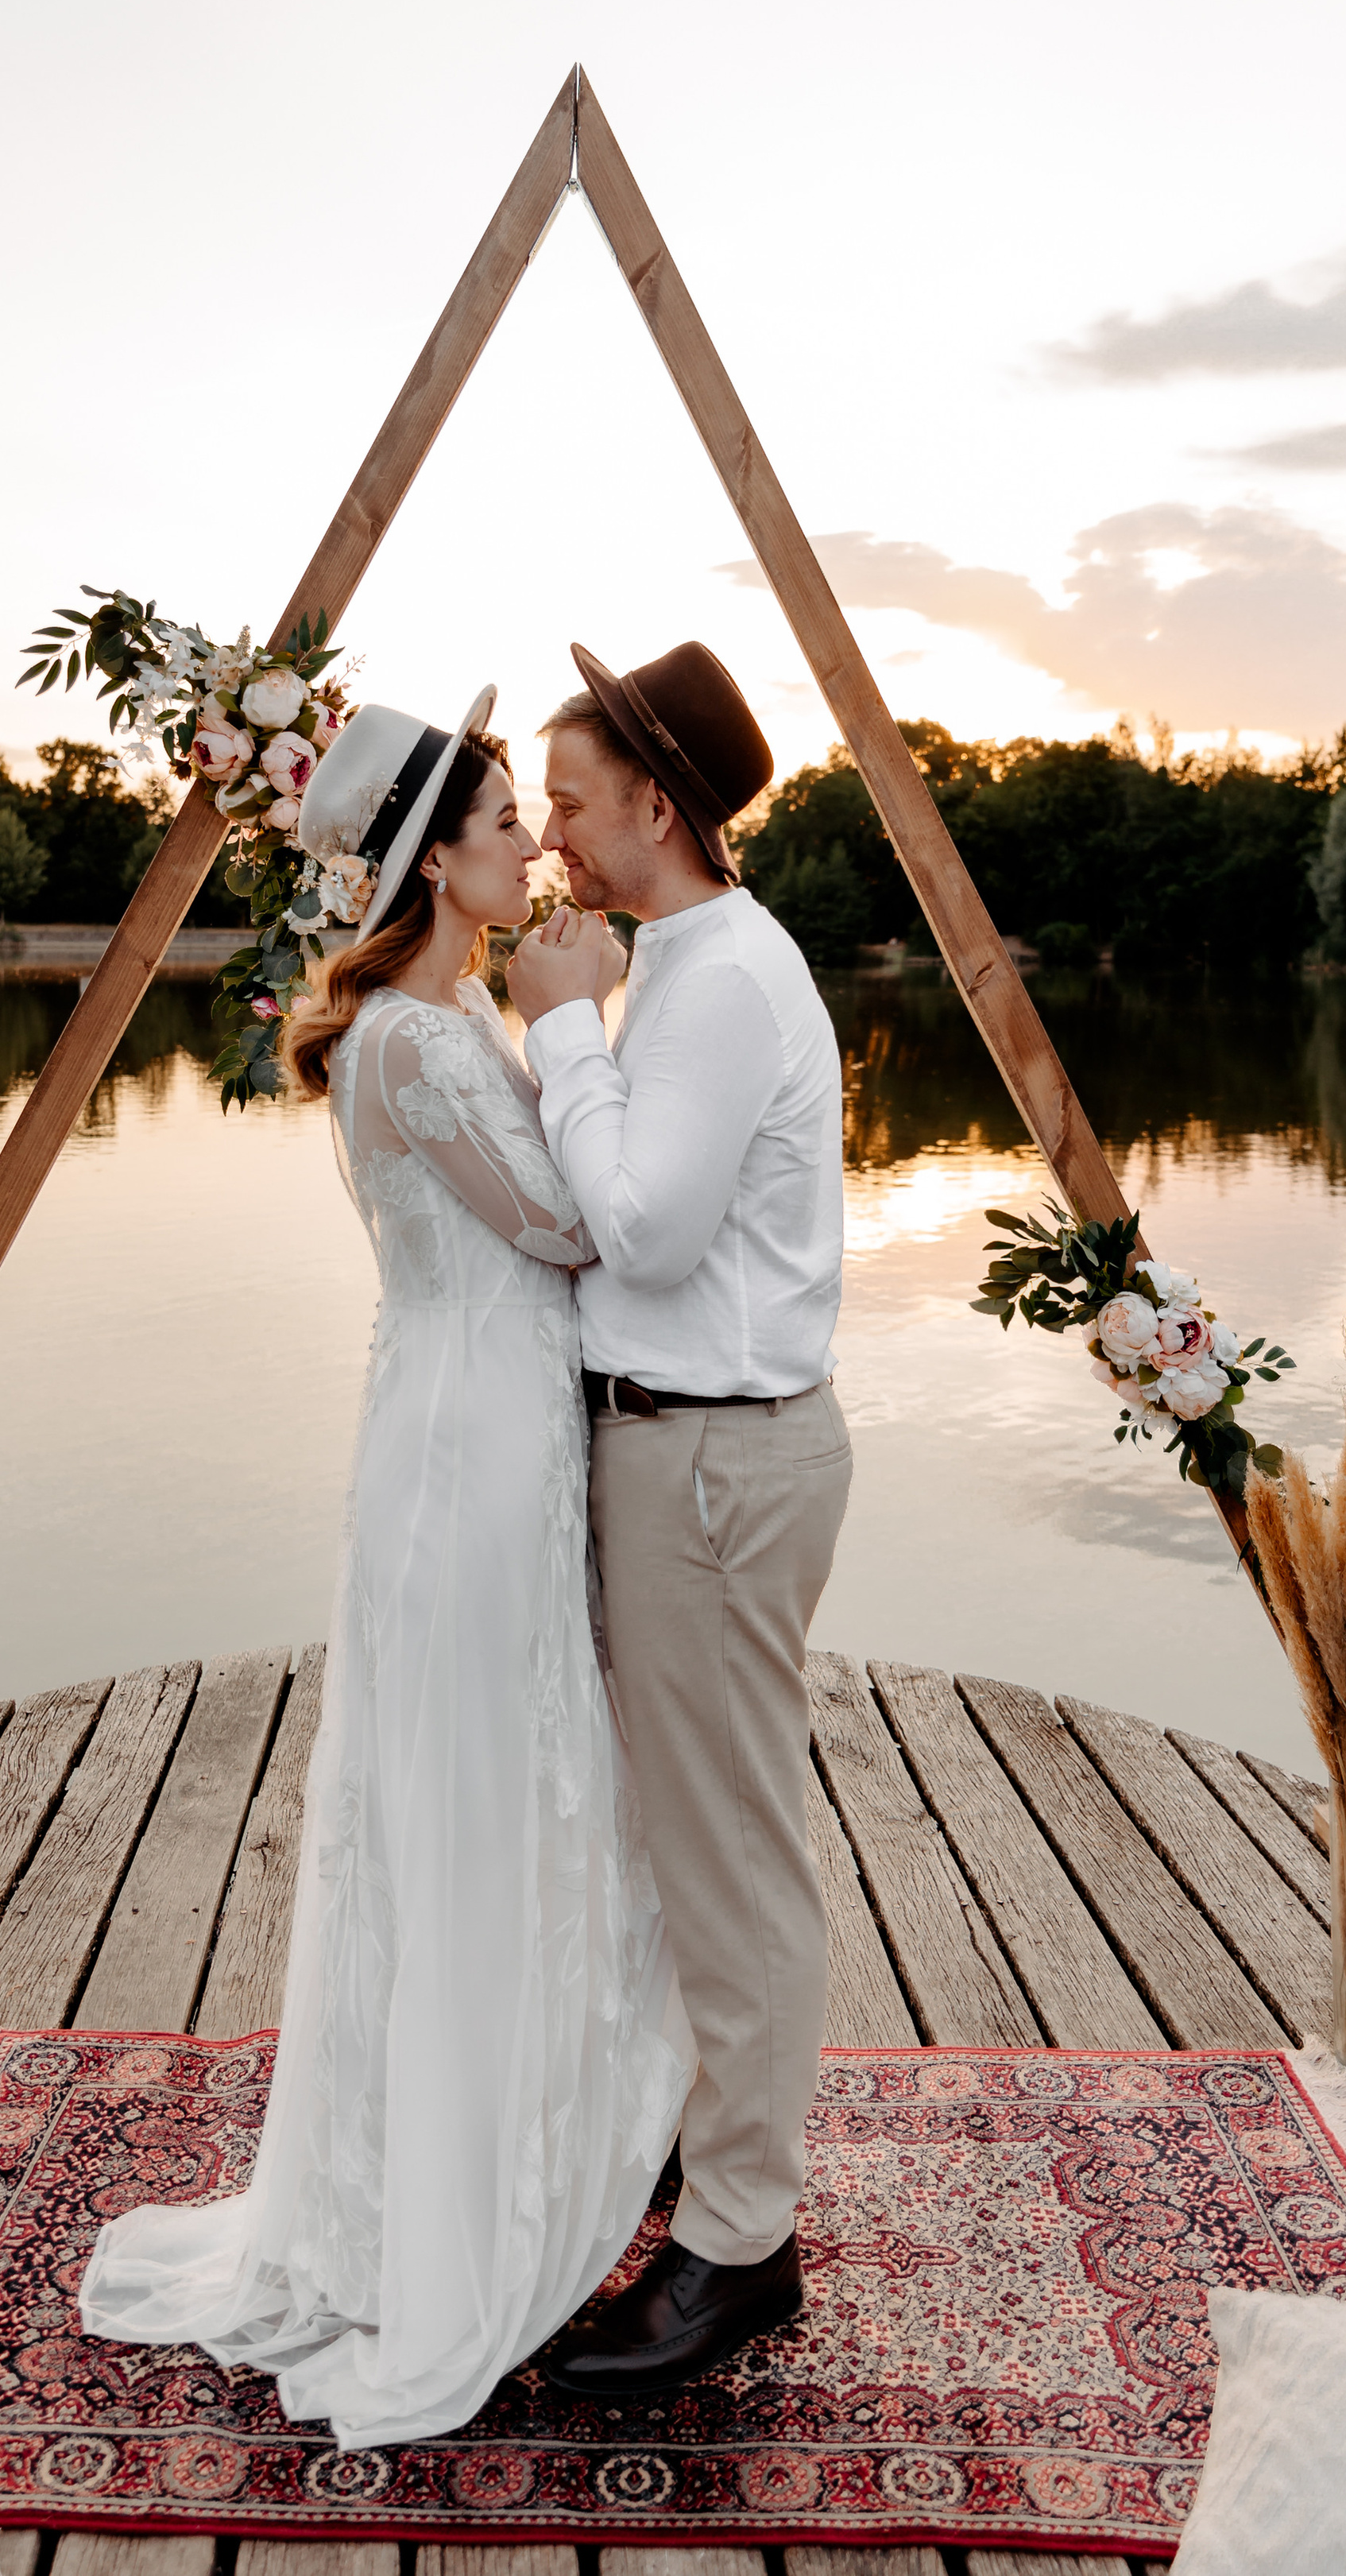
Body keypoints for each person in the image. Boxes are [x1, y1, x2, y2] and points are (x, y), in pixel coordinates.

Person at [79, 688, 692, 2447]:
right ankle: (452, 2198)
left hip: (467, 1424)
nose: (534, 850)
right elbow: (576, 1227)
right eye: (507, 828)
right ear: (438, 859)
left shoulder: (428, 1023)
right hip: (471, 1457)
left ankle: (479, 2136)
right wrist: (589, 1027)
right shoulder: (419, 1048)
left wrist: (560, 1027)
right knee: (480, 1790)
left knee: (484, 1790)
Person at [505, 639, 850, 2402]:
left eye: (567, 800)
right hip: (691, 1451)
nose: (549, 834)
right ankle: (710, 2157)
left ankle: (740, 2246)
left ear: (656, 804)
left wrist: (556, 1027)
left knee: (727, 1855)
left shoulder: (707, 981)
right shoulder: (690, 961)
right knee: (695, 1835)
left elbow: (640, 1233)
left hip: (715, 1461)